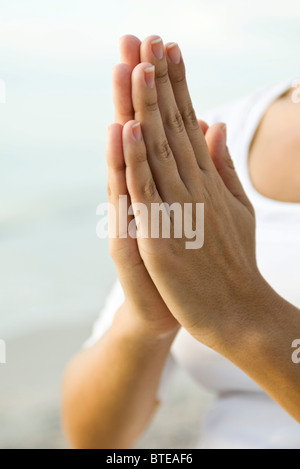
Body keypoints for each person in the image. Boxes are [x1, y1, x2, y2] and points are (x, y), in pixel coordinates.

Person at [62, 35, 300, 449]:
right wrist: (143, 323)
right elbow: (96, 441)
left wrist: (242, 311)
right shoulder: (209, 146)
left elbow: (238, 311)